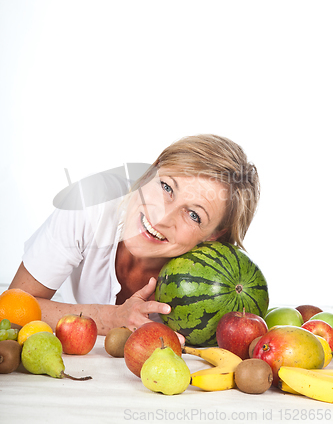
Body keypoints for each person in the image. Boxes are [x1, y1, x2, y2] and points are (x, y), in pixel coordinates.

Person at [9, 134, 260, 340]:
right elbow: (10, 308)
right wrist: (113, 317)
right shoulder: (88, 204)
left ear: (214, 236)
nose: (162, 218)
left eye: (193, 215)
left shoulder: (218, 287)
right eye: (167, 187)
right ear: (153, 170)